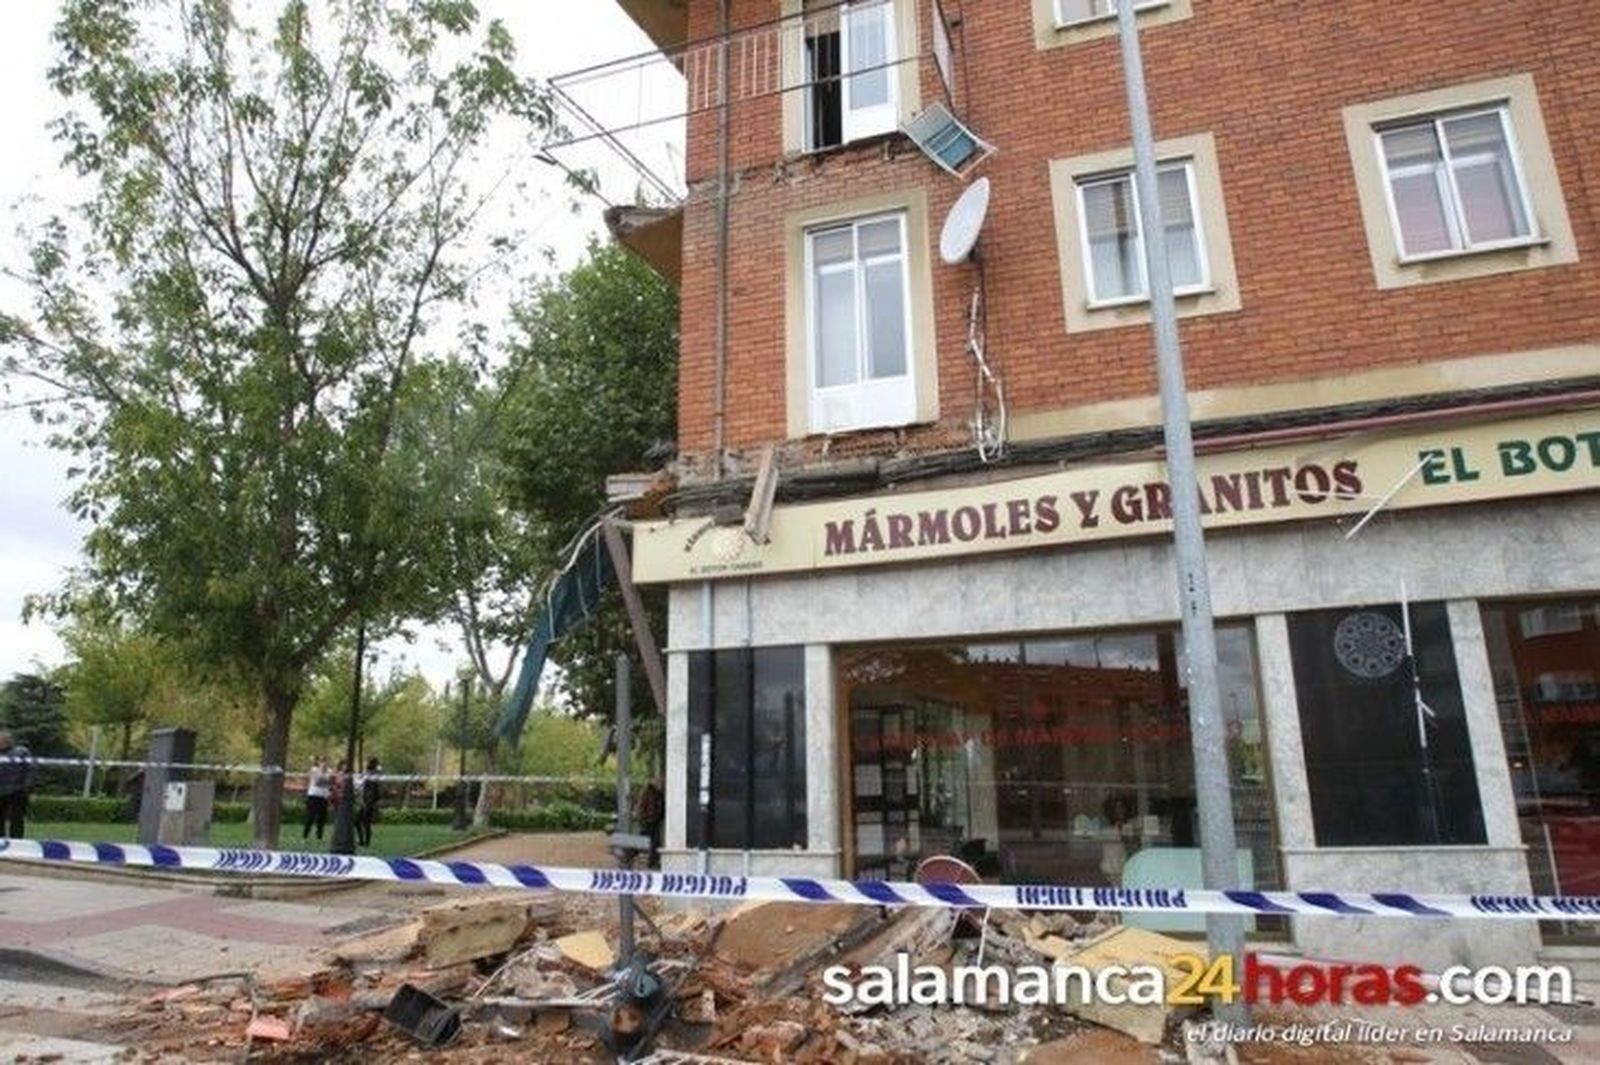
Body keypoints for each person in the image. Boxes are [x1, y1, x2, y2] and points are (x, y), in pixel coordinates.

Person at [0, 730, 33, 839]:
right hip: (1, 790)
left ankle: (17, 841)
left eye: (5, 740)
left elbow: (30, 770)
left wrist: (27, 787)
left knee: (17, 818)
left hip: (18, 791)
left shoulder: (22, 752)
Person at [636, 775, 665, 868]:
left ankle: (651, 862)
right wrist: (643, 819)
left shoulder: (659, 793)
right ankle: (641, 861)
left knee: (654, 843)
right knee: (646, 842)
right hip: (649, 821)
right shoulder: (648, 792)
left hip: (655, 821)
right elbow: (641, 806)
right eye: (660, 782)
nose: (662, 784)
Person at [355, 758, 381, 848]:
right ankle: (362, 840)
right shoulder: (368, 774)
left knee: (365, 823)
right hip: (365, 802)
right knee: (358, 822)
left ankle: (366, 842)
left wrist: (369, 803)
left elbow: (374, 792)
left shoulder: (373, 775)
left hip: (369, 803)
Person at [303, 757, 331, 841]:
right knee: (310, 817)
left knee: (321, 819)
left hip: (324, 798)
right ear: (319, 763)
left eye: (326, 762)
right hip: (313, 796)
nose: (324, 764)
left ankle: (319, 837)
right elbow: (313, 775)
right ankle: (305, 836)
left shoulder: (329, 772)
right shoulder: (314, 770)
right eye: (322, 762)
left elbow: (330, 784)